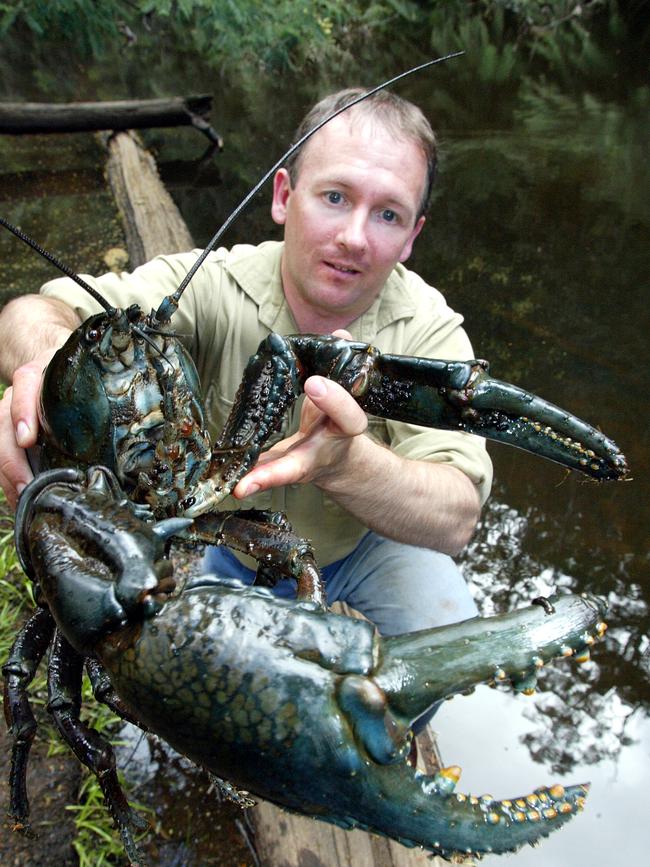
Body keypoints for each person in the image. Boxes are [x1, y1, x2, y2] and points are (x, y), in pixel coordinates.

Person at [0, 88, 492, 642]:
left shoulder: (430, 329)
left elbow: (457, 516)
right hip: (210, 533)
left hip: (362, 544)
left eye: (387, 213)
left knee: (448, 623)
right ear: (284, 194)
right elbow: (32, 309)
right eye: (334, 196)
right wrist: (49, 362)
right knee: (156, 679)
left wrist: (346, 465)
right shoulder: (211, 285)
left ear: (411, 236)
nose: (354, 237)